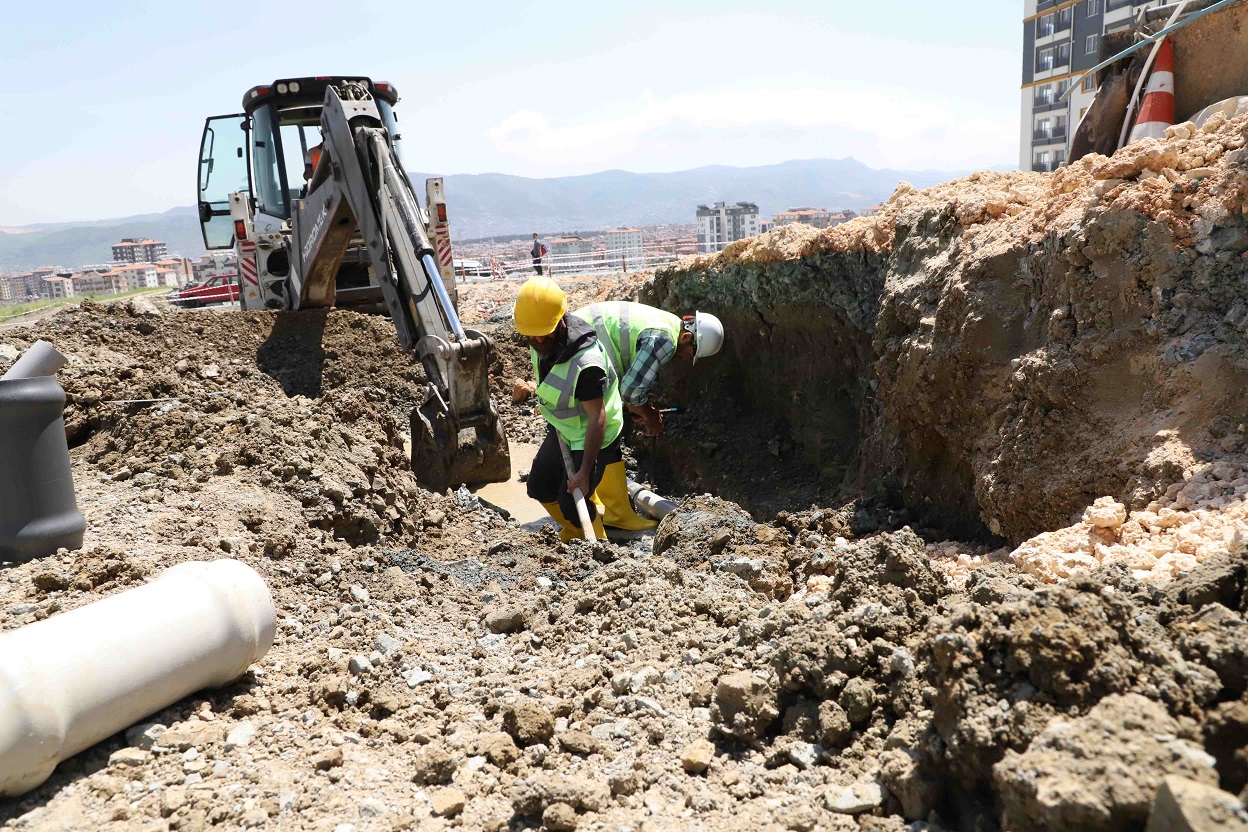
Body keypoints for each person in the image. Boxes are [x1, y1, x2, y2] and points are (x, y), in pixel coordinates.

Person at [572, 301, 725, 530]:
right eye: (690, 353)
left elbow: (628, 388)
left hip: (577, 336)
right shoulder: (664, 340)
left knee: (592, 422)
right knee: (610, 425)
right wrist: (648, 414)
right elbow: (631, 391)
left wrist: (637, 408)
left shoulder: (667, 323)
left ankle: (593, 496)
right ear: (686, 338)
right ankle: (618, 513)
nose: (685, 359)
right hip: (582, 344)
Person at [514, 275, 624, 542]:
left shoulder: (586, 363)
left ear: (561, 320)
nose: (538, 342)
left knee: (572, 497)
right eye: (532, 336)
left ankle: (598, 544)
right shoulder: (540, 335)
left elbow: (597, 417)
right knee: (539, 486)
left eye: (544, 335)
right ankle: (575, 532)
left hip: (594, 433)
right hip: (566, 428)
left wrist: (585, 473)